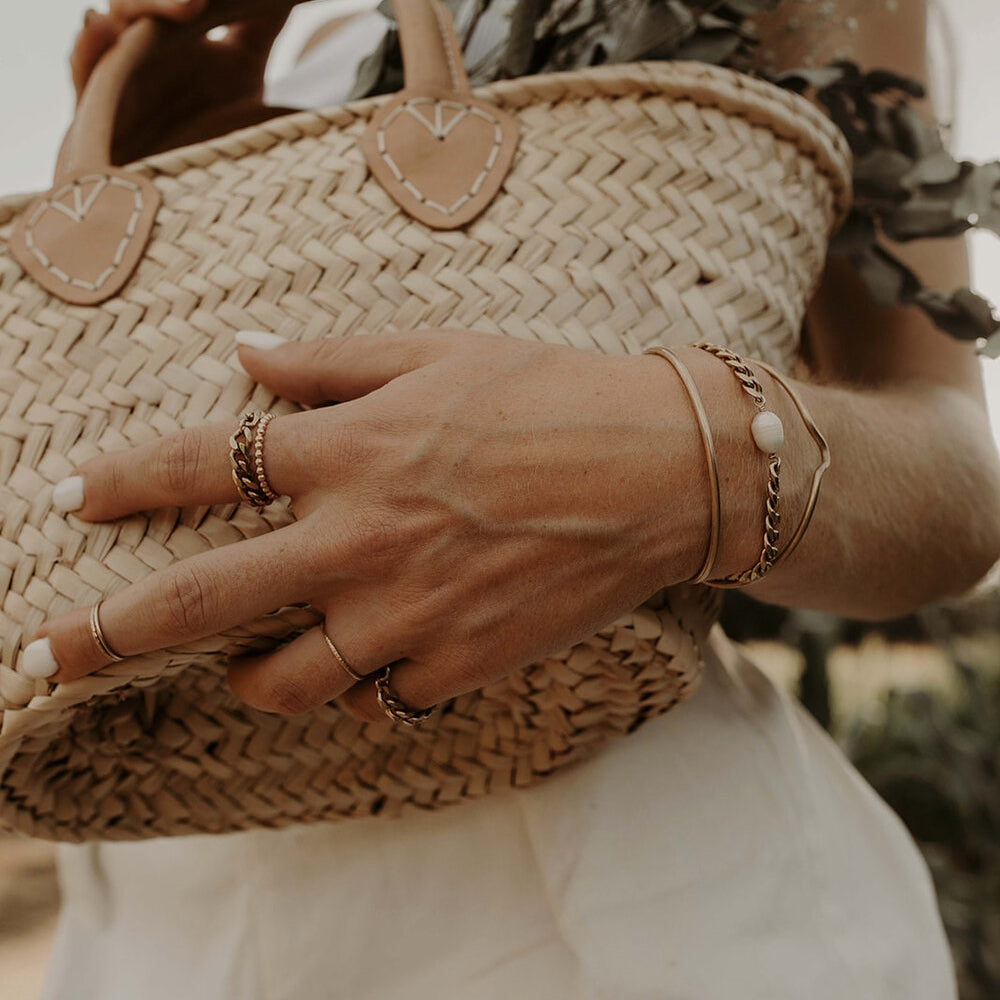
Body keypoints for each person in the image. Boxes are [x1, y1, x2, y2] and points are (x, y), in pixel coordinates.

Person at [25, 0, 1000, 997]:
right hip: (168, 905)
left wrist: (681, 453)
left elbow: (959, 488)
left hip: (623, 900)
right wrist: (196, 158)